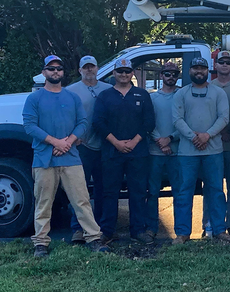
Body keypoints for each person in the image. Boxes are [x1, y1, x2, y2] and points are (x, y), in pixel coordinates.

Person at [23, 55, 109, 257]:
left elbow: (82, 123)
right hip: (44, 159)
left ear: (63, 72)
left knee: (82, 201)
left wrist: (68, 142)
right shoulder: (34, 98)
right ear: (44, 72)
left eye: (58, 69)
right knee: (44, 202)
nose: (55, 72)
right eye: (50, 69)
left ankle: (94, 238)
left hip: (71, 158)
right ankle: (41, 243)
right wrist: (56, 142)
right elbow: (29, 126)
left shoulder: (72, 97)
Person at [93, 58, 155, 244]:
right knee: (109, 193)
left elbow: (149, 122)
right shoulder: (105, 96)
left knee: (138, 192)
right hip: (112, 152)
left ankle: (138, 230)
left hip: (138, 152)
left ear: (132, 73)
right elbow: (98, 123)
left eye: (127, 71)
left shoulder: (142, 95)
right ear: (114, 74)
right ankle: (107, 231)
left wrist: (135, 141)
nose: (124, 74)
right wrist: (116, 143)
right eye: (120, 71)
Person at [172, 57, 230, 244]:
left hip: (213, 151)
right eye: (195, 68)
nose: (199, 71)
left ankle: (219, 230)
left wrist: (207, 135)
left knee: (216, 191)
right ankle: (182, 232)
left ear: (208, 70)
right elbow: (177, 120)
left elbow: (224, 118)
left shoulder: (218, 93)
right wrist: (193, 136)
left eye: (202, 68)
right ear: (189, 71)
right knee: (184, 192)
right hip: (187, 153)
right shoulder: (181, 94)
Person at [65, 55, 111, 243]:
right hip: (82, 146)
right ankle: (78, 228)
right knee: (79, 190)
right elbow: (66, 117)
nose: (89, 70)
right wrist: (72, 137)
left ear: (97, 69)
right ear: (80, 70)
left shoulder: (109, 90)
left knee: (103, 189)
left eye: (92, 67)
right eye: (86, 67)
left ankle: (97, 227)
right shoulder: (71, 91)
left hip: (106, 146)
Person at [209, 51, 230, 240]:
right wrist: (219, 131)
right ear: (215, 64)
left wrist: (228, 129)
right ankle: (211, 223)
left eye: (228, 62)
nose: (224, 65)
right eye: (221, 62)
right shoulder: (209, 86)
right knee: (212, 186)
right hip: (212, 143)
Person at [146, 62, 180, 242]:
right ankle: (151, 228)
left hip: (177, 152)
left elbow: (185, 122)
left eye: (175, 74)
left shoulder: (181, 96)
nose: (171, 77)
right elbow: (148, 123)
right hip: (155, 152)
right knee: (152, 192)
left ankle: (180, 230)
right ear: (161, 76)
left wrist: (170, 138)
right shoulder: (152, 98)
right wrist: (160, 140)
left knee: (179, 192)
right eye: (167, 73)